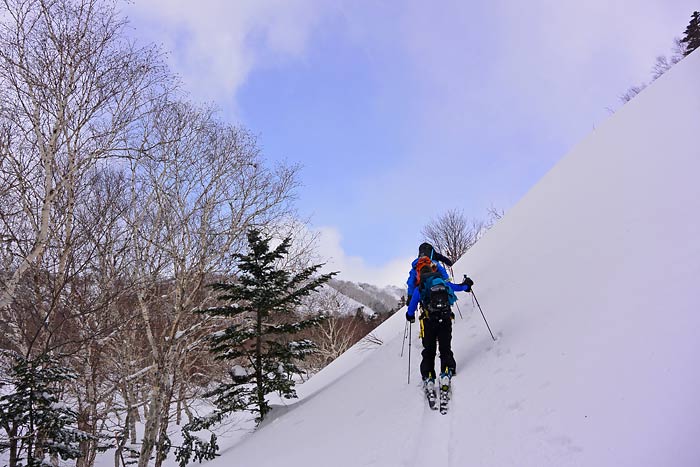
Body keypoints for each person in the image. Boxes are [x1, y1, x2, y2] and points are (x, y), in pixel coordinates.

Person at [405, 264, 473, 391]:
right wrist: (467, 285)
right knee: (445, 347)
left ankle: (428, 375)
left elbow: (411, 309)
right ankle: (447, 370)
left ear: (420, 275)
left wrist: (409, 316)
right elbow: (457, 288)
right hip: (445, 319)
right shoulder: (442, 281)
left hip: (429, 322)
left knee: (429, 350)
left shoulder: (420, 288)